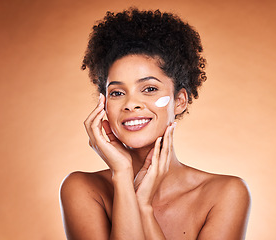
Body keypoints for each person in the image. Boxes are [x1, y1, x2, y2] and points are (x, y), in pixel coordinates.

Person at [60, 8, 251, 240]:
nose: (131, 104)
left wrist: (143, 207)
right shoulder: (82, 189)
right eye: (117, 92)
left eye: (149, 89)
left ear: (179, 101)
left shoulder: (226, 194)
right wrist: (122, 176)